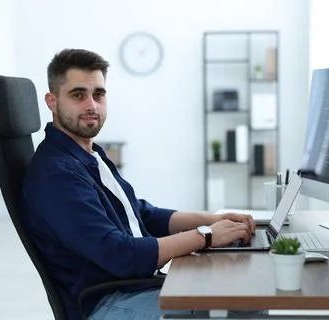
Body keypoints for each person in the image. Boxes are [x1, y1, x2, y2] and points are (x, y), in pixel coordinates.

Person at [21, 48, 255, 320]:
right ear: (52, 101)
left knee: (244, 294)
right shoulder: (57, 173)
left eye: (98, 94)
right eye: (78, 95)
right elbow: (120, 254)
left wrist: (214, 219)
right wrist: (206, 236)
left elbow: (139, 213)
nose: (91, 105)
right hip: (107, 303)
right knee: (238, 304)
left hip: (133, 287)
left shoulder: (88, 155)